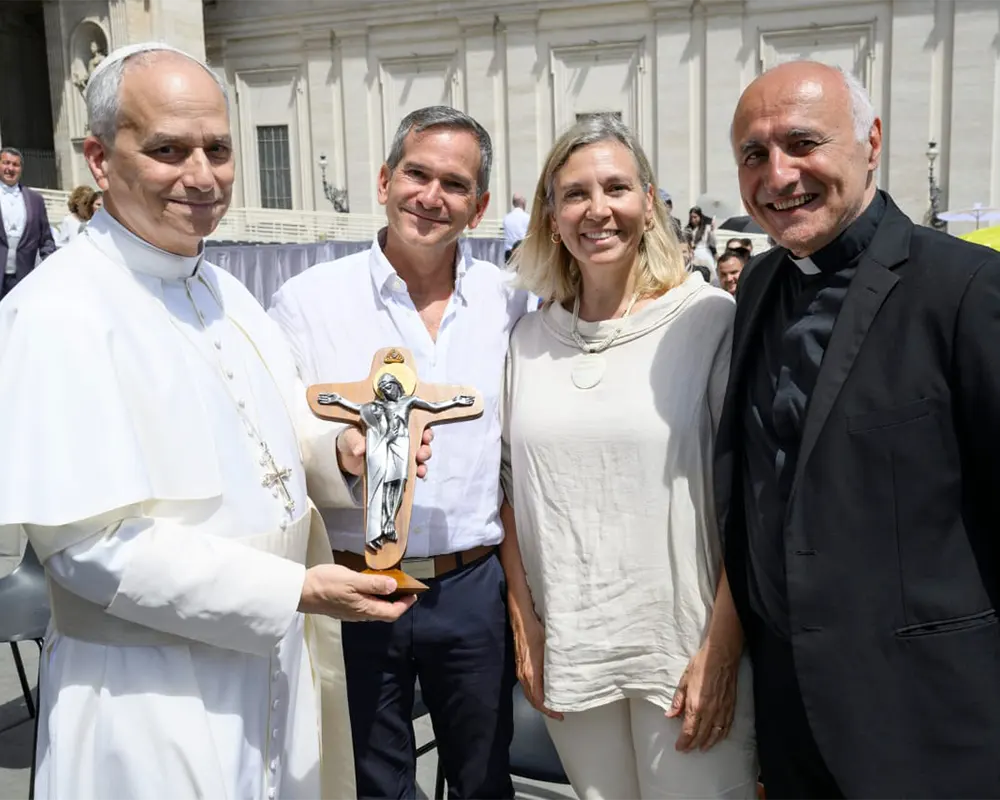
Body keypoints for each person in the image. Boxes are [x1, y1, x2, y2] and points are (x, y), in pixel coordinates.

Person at [0, 41, 419, 800]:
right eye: (167, 149)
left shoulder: (227, 289)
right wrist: (295, 591)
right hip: (147, 697)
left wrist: (346, 454)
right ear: (100, 157)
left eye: (218, 149)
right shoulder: (56, 311)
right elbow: (90, 548)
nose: (202, 175)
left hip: (272, 670)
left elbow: (280, 438)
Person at [719, 60, 1000, 800]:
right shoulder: (757, 287)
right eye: (754, 154)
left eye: (803, 143)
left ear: (871, 140)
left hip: (929, 720)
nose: (779, 176)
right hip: (790, 714)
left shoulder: (965, 289)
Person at [269, 105, 530, 800]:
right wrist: (342, 450)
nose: (431, 196)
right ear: (385, 178)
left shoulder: (512, 304)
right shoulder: (306, 303)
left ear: (477, 209)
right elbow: (278, 437)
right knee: (373, 783)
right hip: (357, 582)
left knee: (482, 777)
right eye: (417, 173)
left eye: (454, 184)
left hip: (472, 584)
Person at [500, 114, 756, 800]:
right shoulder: (525, 339)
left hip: (682, 649)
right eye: (575, 193)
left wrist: (722, 649)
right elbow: (507, 491)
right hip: (573, 650)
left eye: (616, 187)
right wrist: (524, 620)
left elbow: (750, 497)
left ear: (648, 201)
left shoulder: (706, 320)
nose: (597, 208)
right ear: (550, 214)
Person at [0, 147, 56, 300]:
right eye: (6, 163)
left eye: (15, 165)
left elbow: (46, 240)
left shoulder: (35, 200)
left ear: (21, 169)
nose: (10, 168)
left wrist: (50, 266)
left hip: (23, 278)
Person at [685, 205, 717, 278]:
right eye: (691, 217)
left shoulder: (706, 228)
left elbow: (713, 243)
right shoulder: (688, 229)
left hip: (705, 253)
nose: (693, 220)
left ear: (700, 217)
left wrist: (712, 231)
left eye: (695, 217)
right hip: (693, 254)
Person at [503, 192, 530, 262]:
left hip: (508, 254)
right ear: (523, 203)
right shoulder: (527, 218)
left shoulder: (506, 218)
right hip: (522, 253)